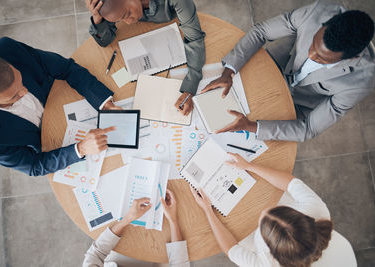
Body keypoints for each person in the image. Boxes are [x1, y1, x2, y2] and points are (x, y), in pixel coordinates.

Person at [202, 1, 375, 142]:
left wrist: (251, 127)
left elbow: (308, 128)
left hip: (296, 105)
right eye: (313, 44)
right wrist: (228, 71)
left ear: (351, 58)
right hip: (274, 66)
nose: (310, 54)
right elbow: (261, 31)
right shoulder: (317, 12)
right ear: (324, 24)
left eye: (321, 59)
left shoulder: (360, 84)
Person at [0, 37, 122, 176]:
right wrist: (81, 149)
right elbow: (33, 165)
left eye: (20, 80)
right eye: (15, 96)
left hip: (65, 99)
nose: (24, 91)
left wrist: (104, 103)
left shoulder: (8, 48)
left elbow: (66, 68)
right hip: (55, 145)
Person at [190, 152, 339, 267]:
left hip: (246, 236)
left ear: (270, 247)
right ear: (297, 214)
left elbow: (231, 249)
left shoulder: (266, 264)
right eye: (275, 210)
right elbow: (290, 183)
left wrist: (208, 210)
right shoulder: (318, 211)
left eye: (263, 223)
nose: (262, 211)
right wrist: (249, 166)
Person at [85, 0, 206, 116]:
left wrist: (190, 89)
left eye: (127, 14)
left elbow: (194, 39)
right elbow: (105, 41)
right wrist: (97, 18)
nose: (128, 22)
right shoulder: (116, 5)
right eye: (120, 20)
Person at [83, 189, 190, 267]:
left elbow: (96, 253)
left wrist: (127, 219)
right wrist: (173, 220)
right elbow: (179, 264)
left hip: (118, 256)